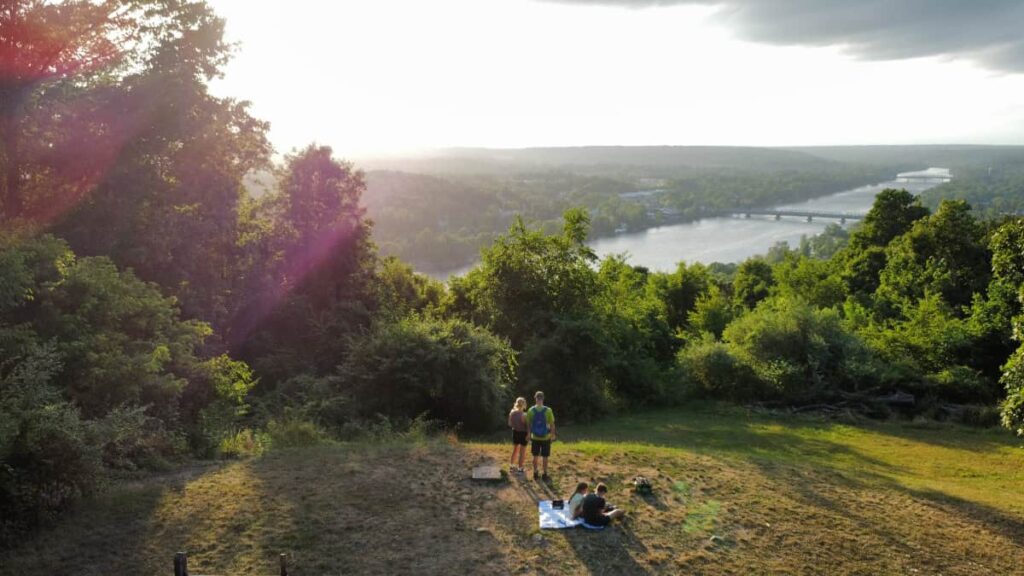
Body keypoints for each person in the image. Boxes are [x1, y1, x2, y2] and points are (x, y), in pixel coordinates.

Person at [526, 391, 556, 481]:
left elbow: (528, 424)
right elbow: (552, 424)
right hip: (546, 437)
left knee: (535, 456)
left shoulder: (531, 410)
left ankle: (535, 473)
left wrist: (528, 434)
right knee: (545, 456)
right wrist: (553, 434)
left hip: (535, 437)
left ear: (535, 398)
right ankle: (545, 474)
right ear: (543, 398)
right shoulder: (548, 410)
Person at [507, 397, 528, 473]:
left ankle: (511, 465)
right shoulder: (524, 415)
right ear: (524, 404)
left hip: (515, 432)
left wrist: (515, 425)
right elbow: (527, 426)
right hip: (523, 434)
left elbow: (509, 424)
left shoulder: (512, 412)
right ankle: (520, 468)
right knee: (522, 451)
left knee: (515, 450)